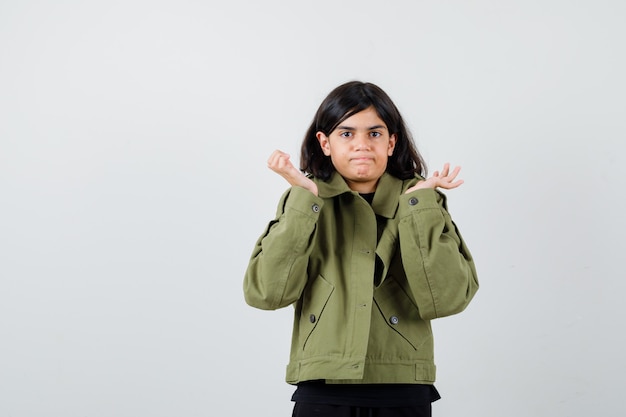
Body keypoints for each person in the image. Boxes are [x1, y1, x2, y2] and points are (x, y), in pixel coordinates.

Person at [243, 81, 479, 417]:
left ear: (392, 141)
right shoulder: (305, 199)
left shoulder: (420, 200)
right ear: (324, 143)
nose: (362, 145)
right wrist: (303, 197)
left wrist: (420, 204)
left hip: (404, 382)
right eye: (347, 133)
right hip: (322, 385)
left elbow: (449, 296)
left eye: (374, 133)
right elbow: (266, 293)